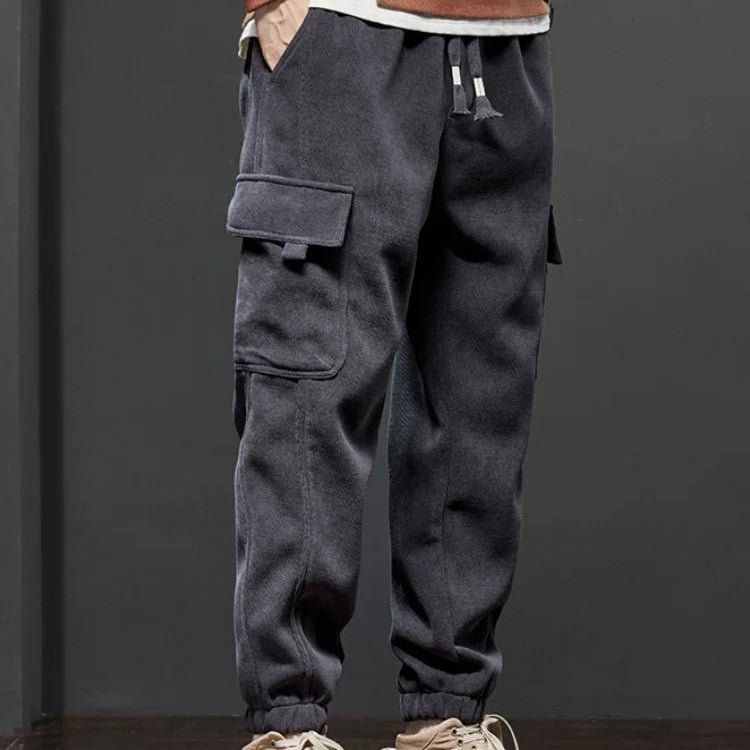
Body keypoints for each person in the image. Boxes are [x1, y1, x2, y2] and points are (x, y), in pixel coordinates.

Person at [224, 1, 563, 749]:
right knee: (308, 391)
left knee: (478, 405)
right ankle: (287, 724)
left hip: (507, 48)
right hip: (343, 28)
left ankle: (448, 715)